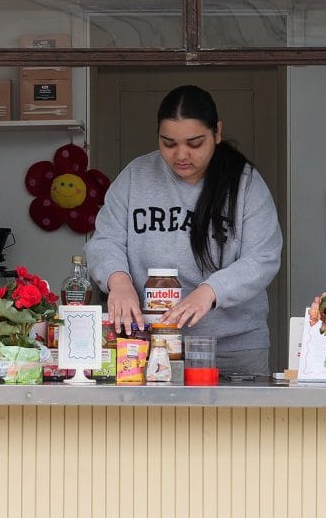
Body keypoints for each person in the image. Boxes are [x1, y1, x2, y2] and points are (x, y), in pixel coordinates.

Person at [84, 84, 283, 377]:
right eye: (169, 143)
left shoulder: (245, 184)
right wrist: (119, 281)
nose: (181, 155)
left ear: (217, 132)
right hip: (150, 345)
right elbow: (105, 241)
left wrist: (209, 291)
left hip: (232, 347)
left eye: (195, 143)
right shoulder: (135, 176)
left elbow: (263, 257)